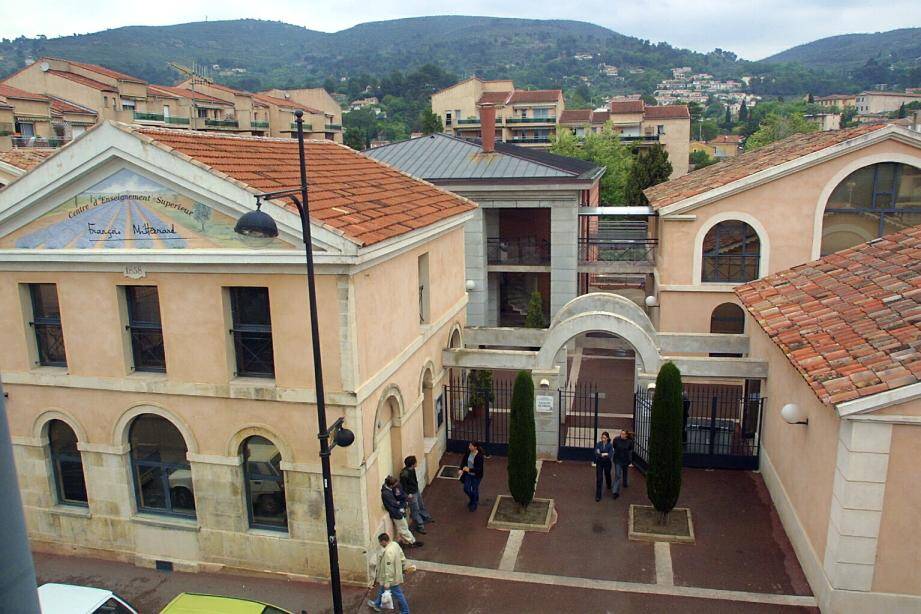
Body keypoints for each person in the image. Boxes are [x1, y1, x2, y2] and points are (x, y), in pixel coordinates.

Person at [368, 532, 411, 614]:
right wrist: (404, 566)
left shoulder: (388, 552)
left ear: (384, 541)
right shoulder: (395, 544)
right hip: (395, 574)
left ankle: (405, 611)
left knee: (398, 594)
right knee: (382, 589)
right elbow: (402, 556)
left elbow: (388, 569)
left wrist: (387, 582)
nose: (380, 544)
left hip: (391, 578)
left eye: (380, 542)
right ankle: (377, 604)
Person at [381, 476, 422, 548]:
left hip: (396, 511)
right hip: (396, 513)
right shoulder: (386, 493)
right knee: (403, 528)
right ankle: (412, 542)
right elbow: (394, 503)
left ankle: (406, 541)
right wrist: (400, 506)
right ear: (390, 485)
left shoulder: (386, 490)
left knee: (403, 527)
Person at [399, 455, 434, 534]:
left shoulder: (412, 470)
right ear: (412, 464)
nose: (416, 463)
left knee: (421, 505)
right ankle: (420, 525)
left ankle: (425, 517)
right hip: (411, 493)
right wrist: (408, 494)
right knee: (415, 509)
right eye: (415, 462)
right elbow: (404, 486)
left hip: (415, 490)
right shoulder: (404, 474)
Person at [460, 441, 484, 511]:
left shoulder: (479, 456)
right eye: (469, 445)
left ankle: (474, 503)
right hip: (468, 475)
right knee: (466, 488)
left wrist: (469, 469)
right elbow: (463, 461)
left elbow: (479, 469)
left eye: (471, 446)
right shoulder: (468, 452)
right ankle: (473, 499)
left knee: (474, 489)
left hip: (476, 476)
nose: (469, 447)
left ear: (475, 447)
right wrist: (461, 469)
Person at [612, 429, 634, 499]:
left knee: (625, 471)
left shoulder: (629, 442)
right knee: (618, 475)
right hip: (618, 460)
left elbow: (630, 450)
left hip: (625, 460)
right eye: (621, 433)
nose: (622, 435)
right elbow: (614, 446)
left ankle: (625, 482)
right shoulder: (616, 440)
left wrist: (629, 459)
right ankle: (615, 492)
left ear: (626, 435)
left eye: (623, 434)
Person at [593, 431, 613, 502]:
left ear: (607, 438)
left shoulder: (610, 445)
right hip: (600, 463)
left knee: (607, 474)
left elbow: (610, 455)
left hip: (607, 463)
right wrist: (603, 454)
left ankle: (609, 484)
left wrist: (602, 454)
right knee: (599, 478)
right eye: (602, 437)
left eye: (604, 438)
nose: (603, 439)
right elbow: (596, 452)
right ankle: (598, 495)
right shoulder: (599, 444)